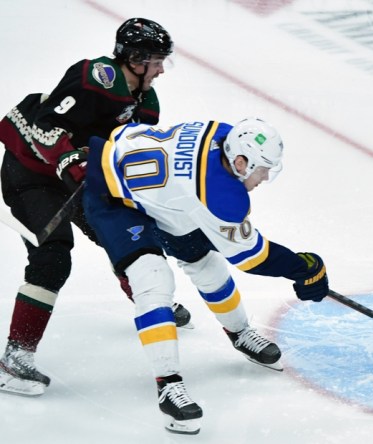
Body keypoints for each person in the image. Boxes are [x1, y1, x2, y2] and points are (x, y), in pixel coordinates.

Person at [81, 117, 329, 435]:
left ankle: (239, 333)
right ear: (240, 162)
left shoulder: (225, 133)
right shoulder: (222, 195)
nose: (265, 177)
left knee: (206, 265)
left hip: (163, 195)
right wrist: (303, 267)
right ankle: (168, 385)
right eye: (262, 168)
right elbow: (253, 258)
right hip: (113, 200)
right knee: (154, 280)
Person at [0, 18, 193, 398]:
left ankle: (147, 298)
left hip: (80, 178)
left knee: (121, 233)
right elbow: (45, 126)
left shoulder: (147, 101)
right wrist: (72, 162)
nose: (160, 70)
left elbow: (130, 149)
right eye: (156, 61)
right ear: (135, 58)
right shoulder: (95, 77)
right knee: (52, 256)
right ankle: (14, 356)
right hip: (32, 174)